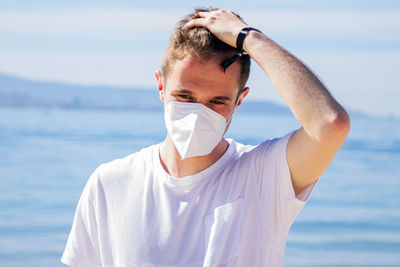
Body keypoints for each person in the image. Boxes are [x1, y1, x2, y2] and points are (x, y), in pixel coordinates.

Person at [61, 8, 350, 267]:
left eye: (217, 101)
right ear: (161, 86)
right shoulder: (109, 183)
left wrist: (250, 39)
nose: (198, 113)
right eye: (185, 96)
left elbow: (329, 124)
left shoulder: (264, 178)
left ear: (240, 100)